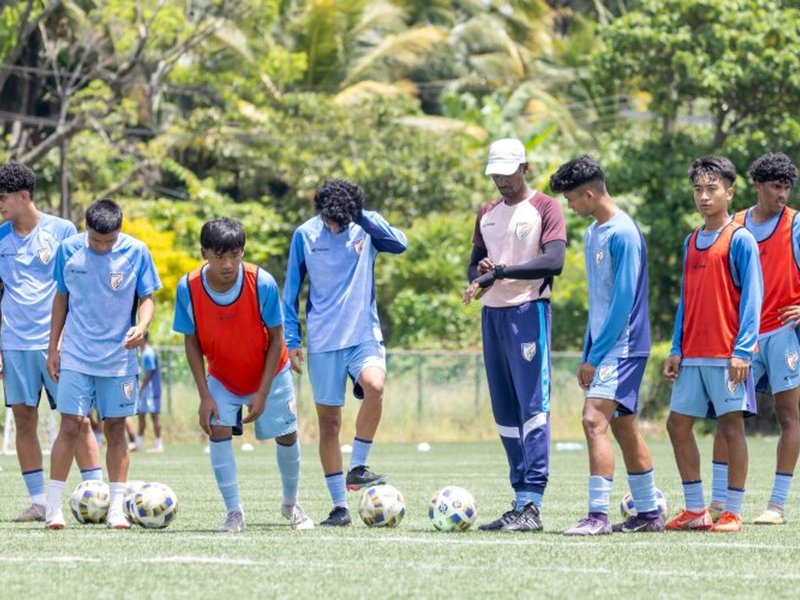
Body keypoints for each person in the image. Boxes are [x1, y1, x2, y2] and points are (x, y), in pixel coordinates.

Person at [174, 217, 313, 532]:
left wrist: (262, 392)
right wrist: (205, 395)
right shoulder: (189, 287)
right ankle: (234, 512)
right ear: (204, 253)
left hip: (271, 373)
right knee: (218, 431)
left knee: (287, 434)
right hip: (222, 377)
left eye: (235, 255)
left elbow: (277, 337)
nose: (228, 263)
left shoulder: (261, 282)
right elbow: (190, 341)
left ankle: (291, 504)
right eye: (220, 256)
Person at [283, 179, 407, 527]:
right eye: (328, 220)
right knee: (329, 422)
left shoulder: (365, 228)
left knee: (375, 386)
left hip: (363, 335)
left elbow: (400, 243)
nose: (334, 227)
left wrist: (362, 215)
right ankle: (339, 506)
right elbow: (290, 291)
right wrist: (292, 341)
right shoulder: (304, 235)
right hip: (322, 342)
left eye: (341, 221)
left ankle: (358, 466)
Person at [549, 156, 663, 535]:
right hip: (605, 347)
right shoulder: (592, 232)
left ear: (591, 193)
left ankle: (596, 517)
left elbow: (623, 302)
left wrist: (597, 356)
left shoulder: (623, 233)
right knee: (624, 426)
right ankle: (648, 513)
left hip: (625, 346)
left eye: (572, 199)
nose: (570, 206)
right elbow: (597, 301)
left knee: (593, 419)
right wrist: (587, 353)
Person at [463, 138, 566, 532]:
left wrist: (502, 271)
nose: (501, 180)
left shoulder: (545, 207)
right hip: (493, 316)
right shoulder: (486, 213)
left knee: (532, 408)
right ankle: (519, 498)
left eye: (507, 172)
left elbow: (554, 262)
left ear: (524, 167)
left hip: (528, 313)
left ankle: (534, 504)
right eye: (495, 174)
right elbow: (474, 268)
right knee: (505, 411)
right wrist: (481, 274)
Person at [44, 199, 162, 529]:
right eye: (97, 240)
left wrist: (143, 326)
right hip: (77, 355)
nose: (103, 246)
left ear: (120, 231)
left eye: (110, 241)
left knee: (115, 430)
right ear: (86, 229)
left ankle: (116, 508)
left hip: (119, 358)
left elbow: (148, 297)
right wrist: (53, 348)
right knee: (70, 425)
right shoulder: (67, 250)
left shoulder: (137, 252)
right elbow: (61, 298)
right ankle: (52, 508)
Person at [663, 156, 762, 533]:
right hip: (692, 355)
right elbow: (686, 300)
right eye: (698, 190)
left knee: (730, 427)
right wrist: (676, 347)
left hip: (727, 354)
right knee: (677, 425)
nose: (704, 197)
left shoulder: (740, 239)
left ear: (729, 192)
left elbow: (753, 298)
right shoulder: (691, 240)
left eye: (712, 189)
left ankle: (732, 510)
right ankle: (695, 510)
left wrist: (743, 351)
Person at [0, 163, 102, 523]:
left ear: (23, 196)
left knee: (77, 419)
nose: (0, 205)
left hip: (59, 343)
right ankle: (39, 501)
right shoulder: (0, 237)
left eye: (3, 198)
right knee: (24, 419)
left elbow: (77, 286)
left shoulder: (63, 231)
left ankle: (97, 496)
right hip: (14, 343)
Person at [709, 153, 800, 525]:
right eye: (775, 186)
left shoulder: (795, 225)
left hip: (782, 333)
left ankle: (776, 505)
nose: (782, 194)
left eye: (786, 187)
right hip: (742, 336)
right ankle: (718, 501)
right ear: (757, 186)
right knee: (727, 415)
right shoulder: (736, 224)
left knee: (788, 415)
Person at [135, 332, 163, 453]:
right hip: (146, 391)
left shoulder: (148, 353)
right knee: (141, 416)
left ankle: (159, 444)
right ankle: (138, 444)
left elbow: (150, 372)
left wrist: (141, 387)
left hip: (151, 390)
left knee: (154, 416)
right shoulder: (144, 352)